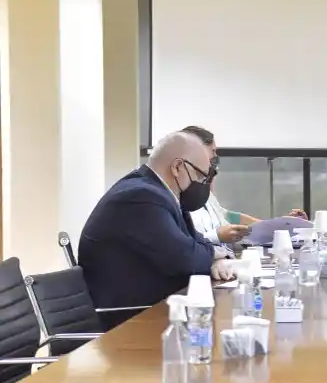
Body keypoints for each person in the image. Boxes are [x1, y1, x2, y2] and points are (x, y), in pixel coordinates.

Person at [79, 131, 236, 328]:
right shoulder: (141, 197)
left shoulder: (158, 193)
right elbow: (184, 257)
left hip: (151, 308)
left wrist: (216, 257)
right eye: (199, 176)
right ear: (178, 167)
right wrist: (215, 254)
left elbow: (194, 241)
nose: (202, 184)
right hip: (129, 321)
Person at [180, 126, 305, 244]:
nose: (214, 162)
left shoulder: (204, 194)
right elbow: (186, 245)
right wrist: (217, 236)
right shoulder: (178, 199)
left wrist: (281, 225)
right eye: (212, 153)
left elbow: (228, 217)